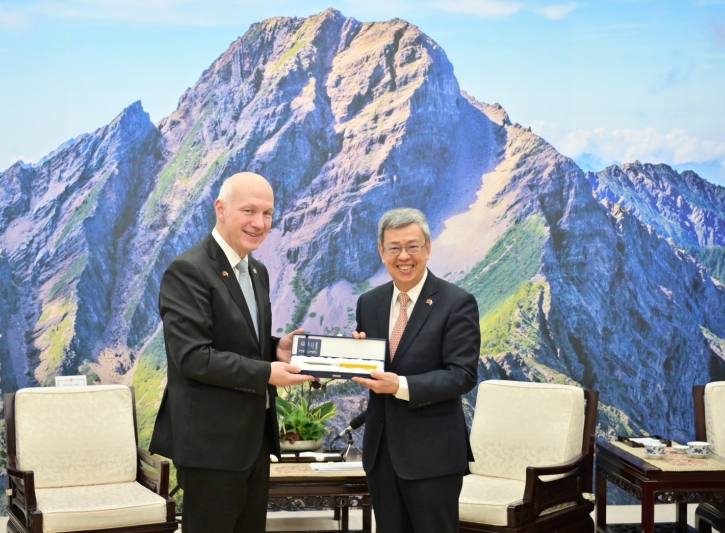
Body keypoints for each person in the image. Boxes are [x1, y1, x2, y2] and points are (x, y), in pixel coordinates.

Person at [149, 172, 313, 533]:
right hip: (211, 446)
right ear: (220, 209)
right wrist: (268, 372)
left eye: (268, 213)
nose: (259, 223)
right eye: (249, 211)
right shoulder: (188, 271)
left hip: (253, 441)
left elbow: (238, 341)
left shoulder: (257, 271)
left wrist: (276, 349)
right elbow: (192, 357)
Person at [352, 207, 480, 533]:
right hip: (382, 455)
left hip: (433, 457)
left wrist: (400, 385)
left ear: (428, 248)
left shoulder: (457, 302)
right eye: (394, 248)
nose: (404, 256)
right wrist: (355, 356)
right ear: (382, 252)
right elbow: (376, 366)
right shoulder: (369, 303)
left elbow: (461, 374)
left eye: (413, 246)